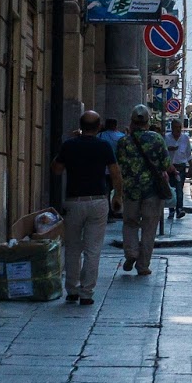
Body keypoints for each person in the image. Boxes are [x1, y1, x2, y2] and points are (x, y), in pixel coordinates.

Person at [51, 110, 124, 305]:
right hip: (98, 201)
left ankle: (72, 290)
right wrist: (118, 195)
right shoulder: (104, 146)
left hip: (74, 201)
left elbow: (56, 170)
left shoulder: (69, 145)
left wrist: (67, 145)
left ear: (80, 126)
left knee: (72, 247)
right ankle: (86, 293)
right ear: (99, 127)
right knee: (93, 249)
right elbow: (116, 173)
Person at [116, 105, 171, 276]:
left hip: (130, 190)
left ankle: (131, 253)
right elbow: (166, 164)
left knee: (130, 223)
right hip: (152, 191)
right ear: (148, 121)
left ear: (132, 121)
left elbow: (119, 165)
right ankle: (143, 265)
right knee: (149, 227)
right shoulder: (156, 139)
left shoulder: (124, 142)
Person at [167, 120, 192, 217]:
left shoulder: (185, 138)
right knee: (171, 189)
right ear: (172, 128)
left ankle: (179, 209)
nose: (178, 130)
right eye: (175, 127)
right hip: (169, 167)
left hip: (181, 167)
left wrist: (190, 167)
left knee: (179, 188)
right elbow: (163, 151)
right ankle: (171, 209)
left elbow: (188, 153)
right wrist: (169, 149)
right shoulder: (166, 138)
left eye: (179, 127)